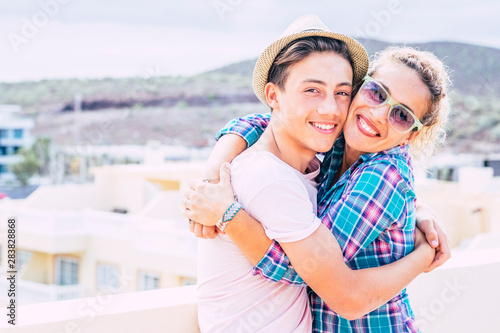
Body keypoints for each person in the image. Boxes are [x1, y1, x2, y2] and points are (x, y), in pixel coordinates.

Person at [184, 15, 448, 332]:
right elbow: (267, 122)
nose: (379, 114)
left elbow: (311, 271)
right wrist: (216, 167)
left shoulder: (382, 174)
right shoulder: (337, 142)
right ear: (361, 90)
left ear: (410, 136)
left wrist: (228, 214)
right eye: (377, 93)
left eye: (402, 115)